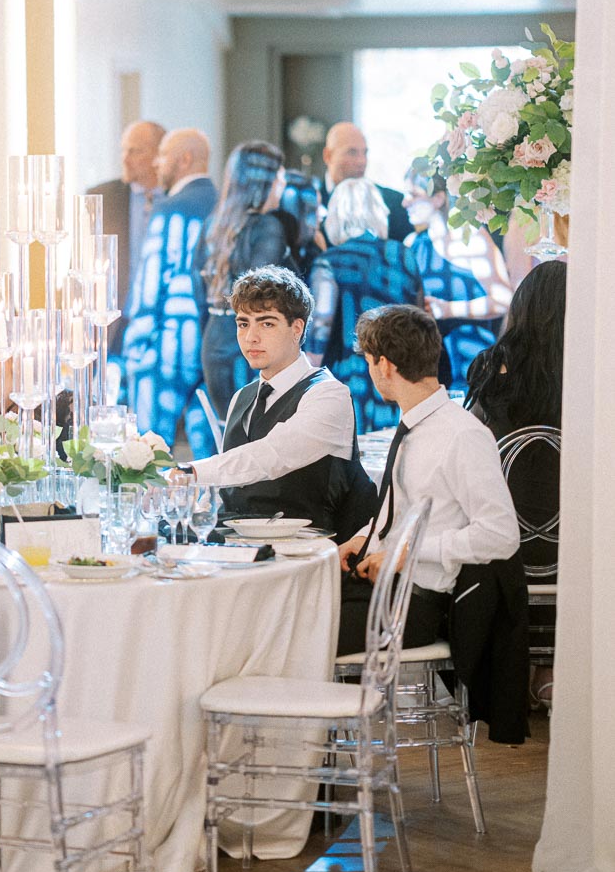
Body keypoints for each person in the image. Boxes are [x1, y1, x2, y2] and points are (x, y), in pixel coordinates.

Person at [336, 304, 521, 656]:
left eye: (369, 361)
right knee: (286, 613)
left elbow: (501, 535)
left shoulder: (461, 434)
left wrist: (405, 554)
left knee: (300, 635)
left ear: (384, 365)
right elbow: (399, 513)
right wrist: (364, 539)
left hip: (415, 604)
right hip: (382, 588)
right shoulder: (413, 426)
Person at [184, 266, 377, 539]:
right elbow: (228, 489)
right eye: (243, 324)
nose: (251, 337)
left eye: (267, 324)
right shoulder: (243, 397)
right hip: (238, 547)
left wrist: (190, 472)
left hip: (306, 549)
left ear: (297, 328)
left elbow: (272, 455)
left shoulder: (329, 394)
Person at [466, 260, 566, 709]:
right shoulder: (592, 373)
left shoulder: (491, 370)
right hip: (573, 551)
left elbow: (469, 448)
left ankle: (513, 667)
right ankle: (553, 671)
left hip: (503, 549)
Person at [122, 128, 218, 458]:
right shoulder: (223, 206)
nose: (158, 164)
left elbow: (150, 285)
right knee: (208, 451)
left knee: (151, 450)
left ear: (185, 159)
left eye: (163, 156)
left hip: (168, 343)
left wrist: (135, 346)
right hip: (212, 343)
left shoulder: (170, 209)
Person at [308, 178, 424, 433]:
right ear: (379, 212)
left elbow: (321, 324)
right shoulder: (404, 255)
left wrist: (304, 375)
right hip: (400, 372)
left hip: (349, 374)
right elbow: (419, 315)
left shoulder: (329, 261)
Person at [196, 142, 298, 418]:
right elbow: (259, 293)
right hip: (251, 344)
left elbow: (198, 289)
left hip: (213, 340)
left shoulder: (213, 226)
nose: (283, 185)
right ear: (264, 182)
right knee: (255, 433)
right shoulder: (268, 227)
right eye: (280, 177)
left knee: (229, 430)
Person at [403, 164, 512, 396]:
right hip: (431, 367)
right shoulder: (413, 244)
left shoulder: (468, 237)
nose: (404, 202)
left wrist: (447, 309)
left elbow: (504, 299)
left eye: (413, 195)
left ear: (438, 198)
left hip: (471, 361)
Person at [86, 120, 166, 355]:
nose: (125, 159)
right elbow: (80, 262)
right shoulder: (102, 198)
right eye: (124, 150)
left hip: (163, 323)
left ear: (158, 155)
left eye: (135, 151)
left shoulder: (177, 199)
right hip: (115, 321)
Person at [319, 122, 409, 243]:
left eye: (365, 153)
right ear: (328, 155)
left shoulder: (394, 202)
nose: (362, 161)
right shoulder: (311, 202)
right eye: (352, 152)